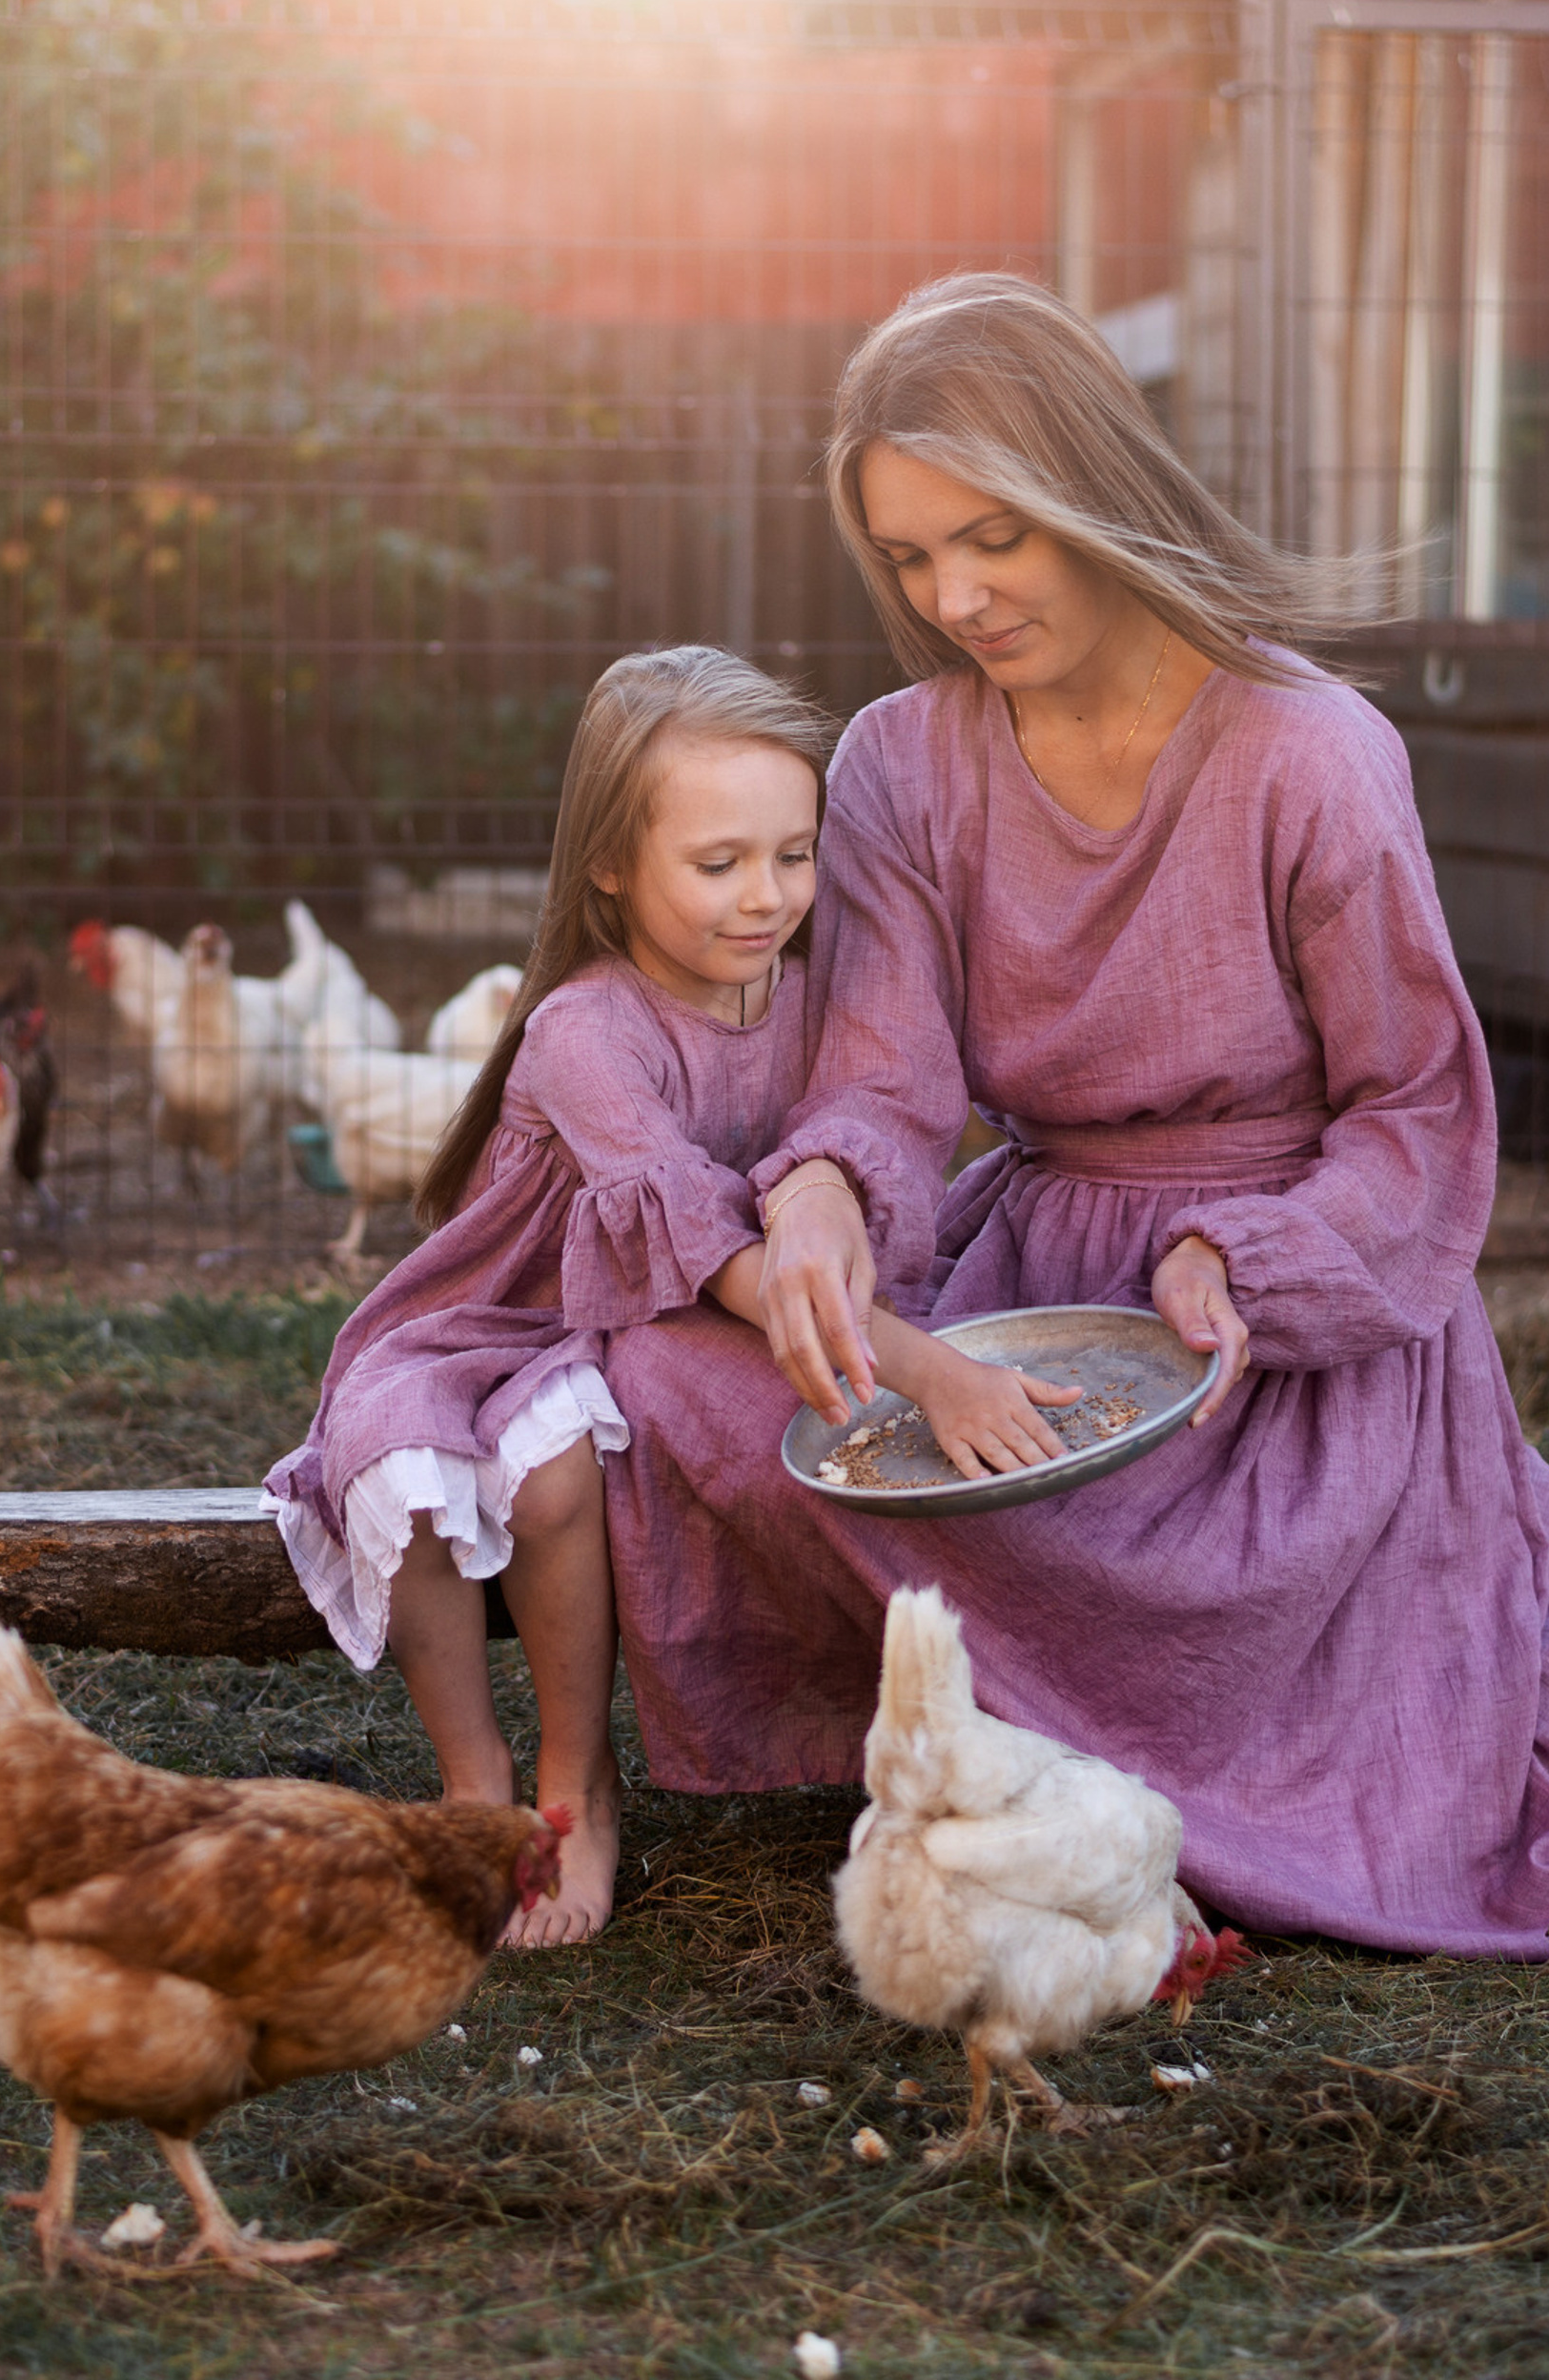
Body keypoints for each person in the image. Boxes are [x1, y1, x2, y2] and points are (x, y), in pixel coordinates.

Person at [601, 275, 1549, 1960]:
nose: (956, 596)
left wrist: (1253, 1253)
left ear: (1094, 484)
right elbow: (879, 1079)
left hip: (1270, 1335)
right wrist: (822, 1205)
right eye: (913, 557)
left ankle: (1110, 1752)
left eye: (992, 536)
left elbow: (1417, 1114)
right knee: (675, 1375)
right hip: (1029, 1271)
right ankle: (1015, 1730)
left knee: (1125, 1532)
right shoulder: (895, 765)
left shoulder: (1313, 755)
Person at [264, 645, 1069, 1945]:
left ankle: (578, 1783)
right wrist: (933, 1372)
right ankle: (481, 1794)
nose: (767, 897)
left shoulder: (812, 1002)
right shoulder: (584, 1032)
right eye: (720, 864)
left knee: (559, 1473)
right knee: (408, 1466)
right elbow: (714, 1250)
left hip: (657, 1321)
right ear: (609, 866)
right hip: (506, 1318)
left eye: (793, 855)